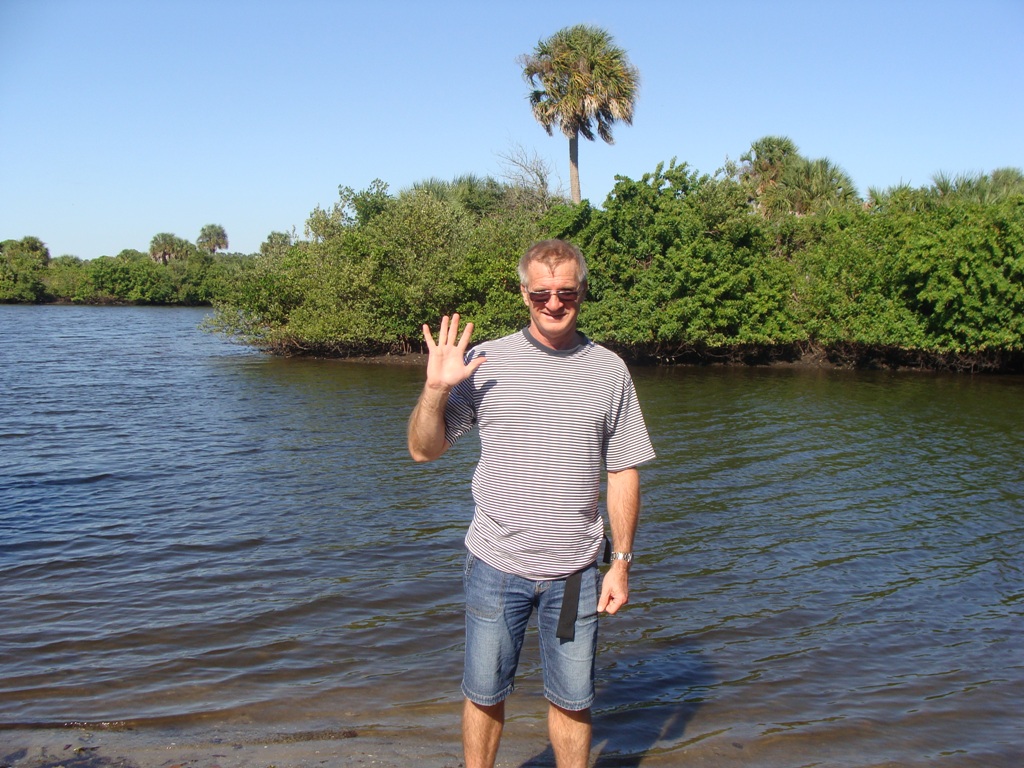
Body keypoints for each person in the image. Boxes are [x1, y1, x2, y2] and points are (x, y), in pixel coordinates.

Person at [407, 239, 656, 768]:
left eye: (566, 292)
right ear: (524, 294)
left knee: (573, 698)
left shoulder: (609, 370)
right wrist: (435, 389)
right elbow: (423, 450)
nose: (554, 303)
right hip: (496, 566)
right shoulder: (485, 362)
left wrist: (621, 564)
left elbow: (623, 469)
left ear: (582, 291)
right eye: (542, 293)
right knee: (484, 692)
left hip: (574, 575)